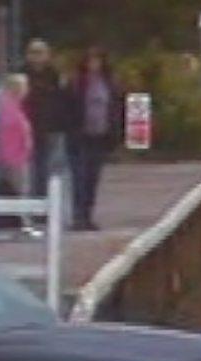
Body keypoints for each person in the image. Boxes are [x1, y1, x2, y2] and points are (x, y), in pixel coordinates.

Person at [66, 46, 123, 231]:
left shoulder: (109, 82)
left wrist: (115, 131)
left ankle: (88, 214)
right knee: (79, 177)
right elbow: (67, 106)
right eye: (90, 60)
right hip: (80, 136)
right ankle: (78, 215)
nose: (94, 64)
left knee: (93, 178)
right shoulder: (76, 83)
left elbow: (115, 107)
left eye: (97, 60)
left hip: (100, 136)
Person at [20, 39, 68, 199]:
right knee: (27, 169)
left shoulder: (54, 76)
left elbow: (62, 101)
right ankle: (29, 203)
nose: (37, 57)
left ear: (48, 55)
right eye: (33, 52)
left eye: (40, 53)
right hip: (25, 128)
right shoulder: (21, 75)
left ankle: (47, 203)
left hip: (50, 129)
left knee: (49, 169)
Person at [0, 74, 33, 198]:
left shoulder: (13, 106)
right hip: (13, 156)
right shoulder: (7, 107)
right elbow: (8, 130)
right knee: (18, 189)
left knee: (17, 188)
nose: (27, 90)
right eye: (25, 87)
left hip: (16, 155)